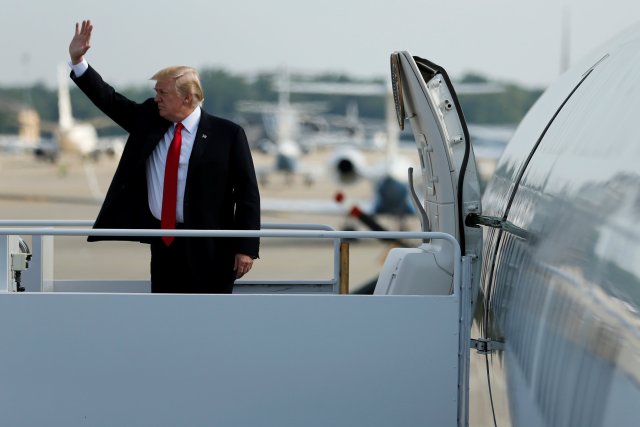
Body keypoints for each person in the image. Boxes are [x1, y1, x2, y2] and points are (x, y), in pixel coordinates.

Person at [68, 20, 260, 293]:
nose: (156, 98)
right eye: (155, 92)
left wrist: (246, 248)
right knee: (165, 321)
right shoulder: (149, 120)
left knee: (210, 322)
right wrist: (79, 61)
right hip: (164, 243)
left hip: (212, 247)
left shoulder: (227, 135)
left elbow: (247, 195)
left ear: (188, 98)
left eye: (162, 92)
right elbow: (109, 100)